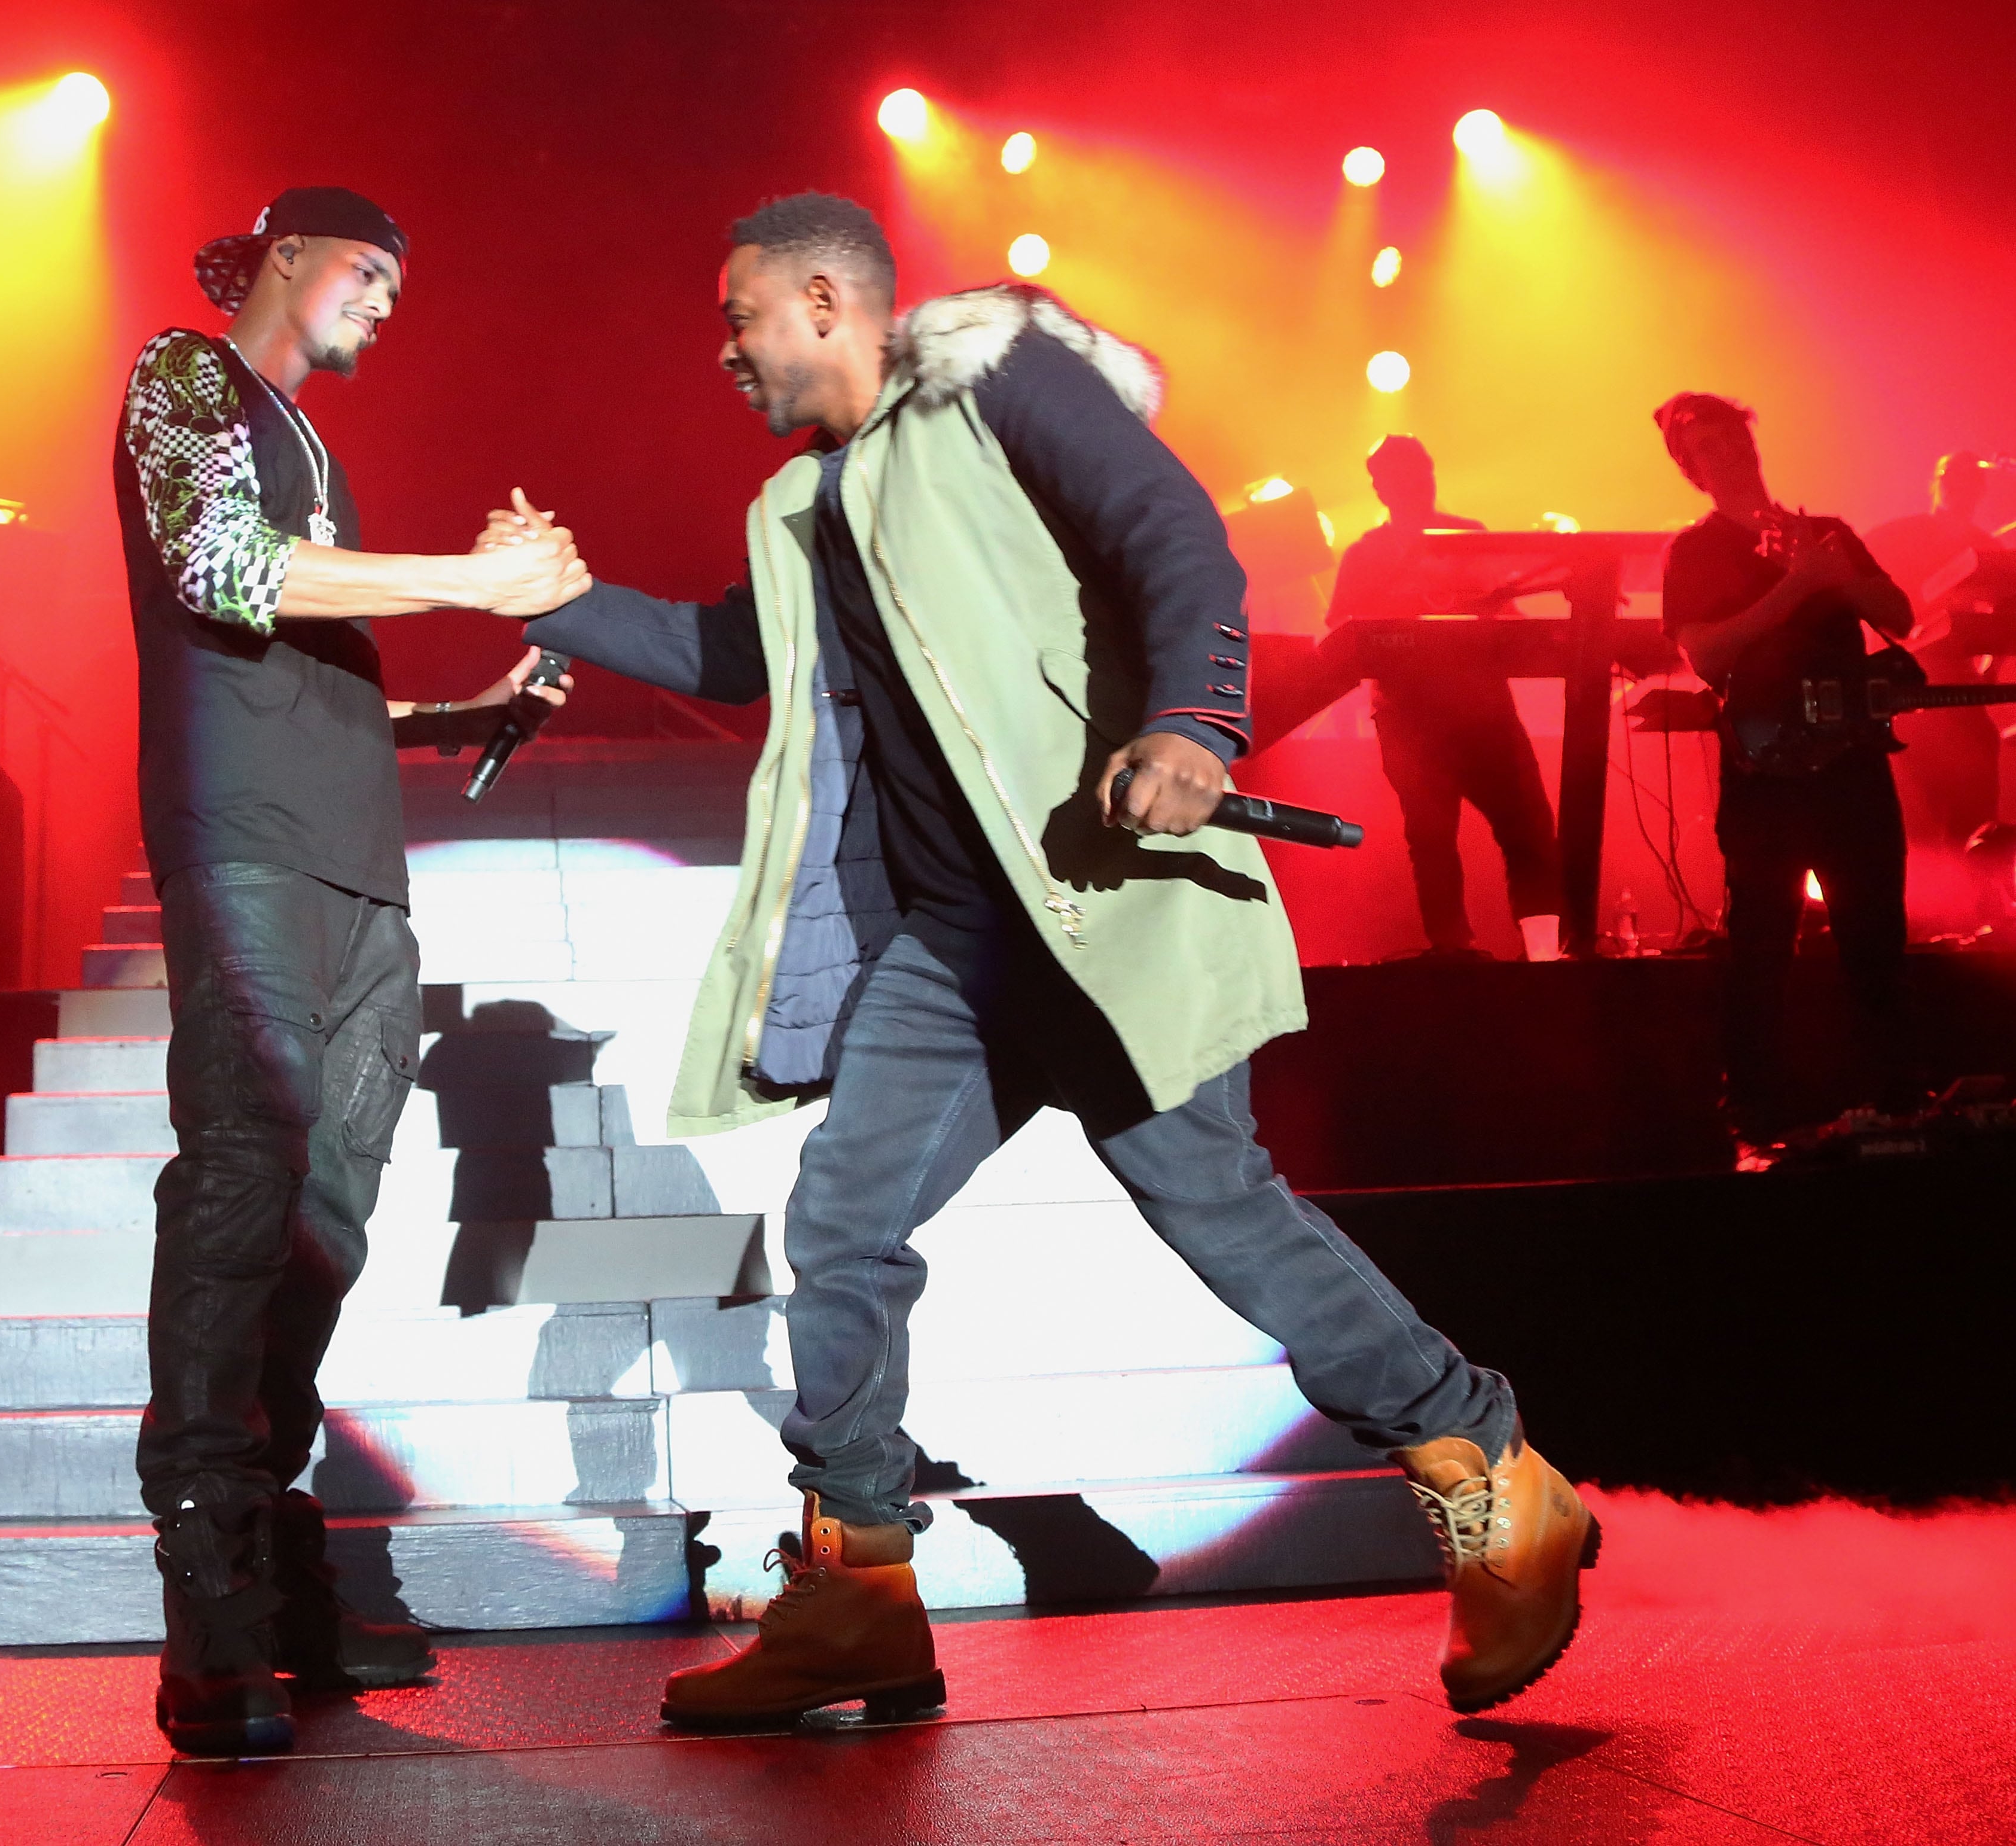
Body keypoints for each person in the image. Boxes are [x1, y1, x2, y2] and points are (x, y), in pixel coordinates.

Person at [511, 193, 1594, 1728]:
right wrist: (546, 596)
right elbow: (732, 655)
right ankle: (860, 1587)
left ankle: (1484, 1462)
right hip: (954, 948)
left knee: (1210, 1202)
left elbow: (1173, 534)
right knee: (845, 1213)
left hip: (1106, 902)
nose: (726, 352)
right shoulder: (801, 504)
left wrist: (1192, 722)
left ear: (827, 299)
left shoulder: (995, 378)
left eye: (739, 317)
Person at [117, 185, 586, 1759]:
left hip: (356, 868)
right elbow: (219, 570)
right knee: (247, 1169)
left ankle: (271, 1543)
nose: (386, 303)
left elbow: (304, 668)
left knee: (324, 1212)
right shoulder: (183, 380)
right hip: (243, 847)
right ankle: (210, 1595)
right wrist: (468, 578)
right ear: (281, 258)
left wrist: (464, 711)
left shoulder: (316, 449)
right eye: (369, 271)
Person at [1655, 393, 1919, 1154]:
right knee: (1763, 945)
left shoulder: (1825, 530)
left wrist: (1833, 574)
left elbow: (1898, 613)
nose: (1728, 452)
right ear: (1691, 469)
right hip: (1765, 775)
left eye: (1733, 435)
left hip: (1854, 766)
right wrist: (1795, 588)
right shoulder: (1694, 550)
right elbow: (1706, 656)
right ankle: (1758, 1115)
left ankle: (1899, 1102)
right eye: (1707, 446)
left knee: (1877, 939)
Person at [1325, 436, 1564, 959]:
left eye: (1424, 468)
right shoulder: (1366, 555)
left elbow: (1509, 615)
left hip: (1485, 711)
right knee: (1432, 840)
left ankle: (1546, 954)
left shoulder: (1470, 538)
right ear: (1381, 488)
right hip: (1409, 716)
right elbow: (1340, 631)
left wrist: (1544, 633)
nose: (1420, 480)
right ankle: (1453, 952)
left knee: (1528, 832)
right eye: (1406, 472)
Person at [1865, 453, 2006, 844]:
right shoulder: (1900, 534)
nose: (1965, 490)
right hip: (1900, 686)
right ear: (1937, 483)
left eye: (1971, 484)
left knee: (1975, 768)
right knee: (1914, 802)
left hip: (1952, 687)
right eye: (1956, 480)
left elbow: (2005, 614)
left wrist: (1988, 672)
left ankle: (1970, 881)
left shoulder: (1984, 547)